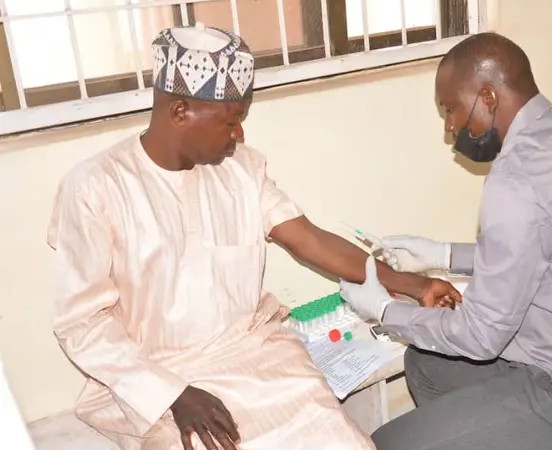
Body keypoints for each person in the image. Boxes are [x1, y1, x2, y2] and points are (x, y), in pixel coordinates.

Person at [47, 24, 461, 450]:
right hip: (154, 377)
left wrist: (416, 284)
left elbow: (309, 240)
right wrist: (171, 394)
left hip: (257, 356)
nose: (239, 134)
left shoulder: (242, 170)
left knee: (335, 436)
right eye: (231, 120)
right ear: (180, 111)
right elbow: (83, 324)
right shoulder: (95, 188)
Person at [340, 32, 552, 450]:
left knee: (387, 443)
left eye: (452, 110)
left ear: (488, 97)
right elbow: (545, 246)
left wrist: (385, 311)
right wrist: (443, 255)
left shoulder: (516, 177)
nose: (451, 128)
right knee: (426, 364)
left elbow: (479, 336)